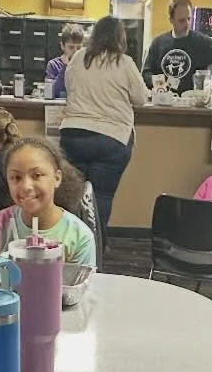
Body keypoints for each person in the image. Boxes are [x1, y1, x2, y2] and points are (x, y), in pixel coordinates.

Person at [62, 15, 148, 229]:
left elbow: (68, 86)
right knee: (101, 197)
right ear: (120, 37)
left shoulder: (79, 57)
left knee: (73, 195)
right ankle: (96, 249)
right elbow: (141, 98)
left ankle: (72, 247)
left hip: (74, 136)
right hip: (111, 139)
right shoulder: (124, 62)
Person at [0, 136, 96, 268]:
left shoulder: (79, 237)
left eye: (37, 175)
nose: (26, 186)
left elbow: (80, 286)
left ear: (57, 178)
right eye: (16, 177)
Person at [142, 0, 212, 90]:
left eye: (189, 19)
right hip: (163, 101)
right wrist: (159, 84)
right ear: (171, 20)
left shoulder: (201, 42)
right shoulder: (158, 43)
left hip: (193, 103)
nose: (187, 24)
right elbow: (146, 72)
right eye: (181, 20)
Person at [46, 23, 84, 99]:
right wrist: (65, 68)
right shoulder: (53, 65)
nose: (75, 51)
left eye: (78, 47)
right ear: (62, 46)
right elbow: (54, 92)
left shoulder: (86, 65)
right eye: (71, 47)